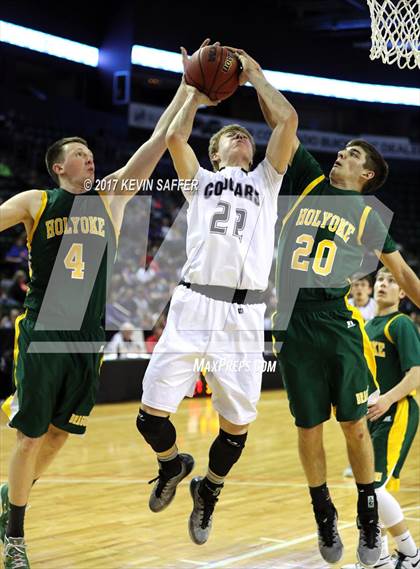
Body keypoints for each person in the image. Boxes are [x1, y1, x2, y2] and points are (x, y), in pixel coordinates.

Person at [0, 39, 209, 569]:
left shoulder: (111, 195)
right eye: (79, 154)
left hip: (89, 333)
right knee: (29, 437)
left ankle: (10, 498)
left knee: (58, 436)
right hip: (47, 328)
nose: (90, 157)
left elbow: (161, 140)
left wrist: (189, 84)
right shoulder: (36, 202)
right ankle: (15, 535)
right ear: (58, 167)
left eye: (92, 153)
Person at [136, 49, 298, 545]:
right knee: (150, 415)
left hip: (245, 313)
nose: (243, 137)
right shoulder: (200, 181)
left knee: (237, 424)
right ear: (215, 152)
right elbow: (173, 136)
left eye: (247, 135)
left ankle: (210, 488)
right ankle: (172, 465)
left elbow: (287, 119)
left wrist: (253, 75)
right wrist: (192, 87)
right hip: (192, 304)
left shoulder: (267, 181)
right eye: (233, 134)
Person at [263, 83, 420, 565]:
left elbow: (405, 275)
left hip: (335, 320)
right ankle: (323, 512)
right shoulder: (310, 178)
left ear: (366, 173)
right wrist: (251, 73)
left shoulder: (371, 216)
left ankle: (369, 516)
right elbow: (282, 122)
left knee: (353, 425)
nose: (340, 155)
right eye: (343, 150)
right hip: (290, 322)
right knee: (308, 427)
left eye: (351, 154)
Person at [343, 267, 419, 569]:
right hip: (373, 413)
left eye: (391, 281)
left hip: (397, 410)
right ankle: (393, 555)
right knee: (370, 488)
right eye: (380, 281)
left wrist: (387, 399)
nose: (383, 285)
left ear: (403, 293)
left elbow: (416, 374)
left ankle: (405, 554)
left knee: (372, 488)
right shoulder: (371, 324)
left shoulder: (401, 324)